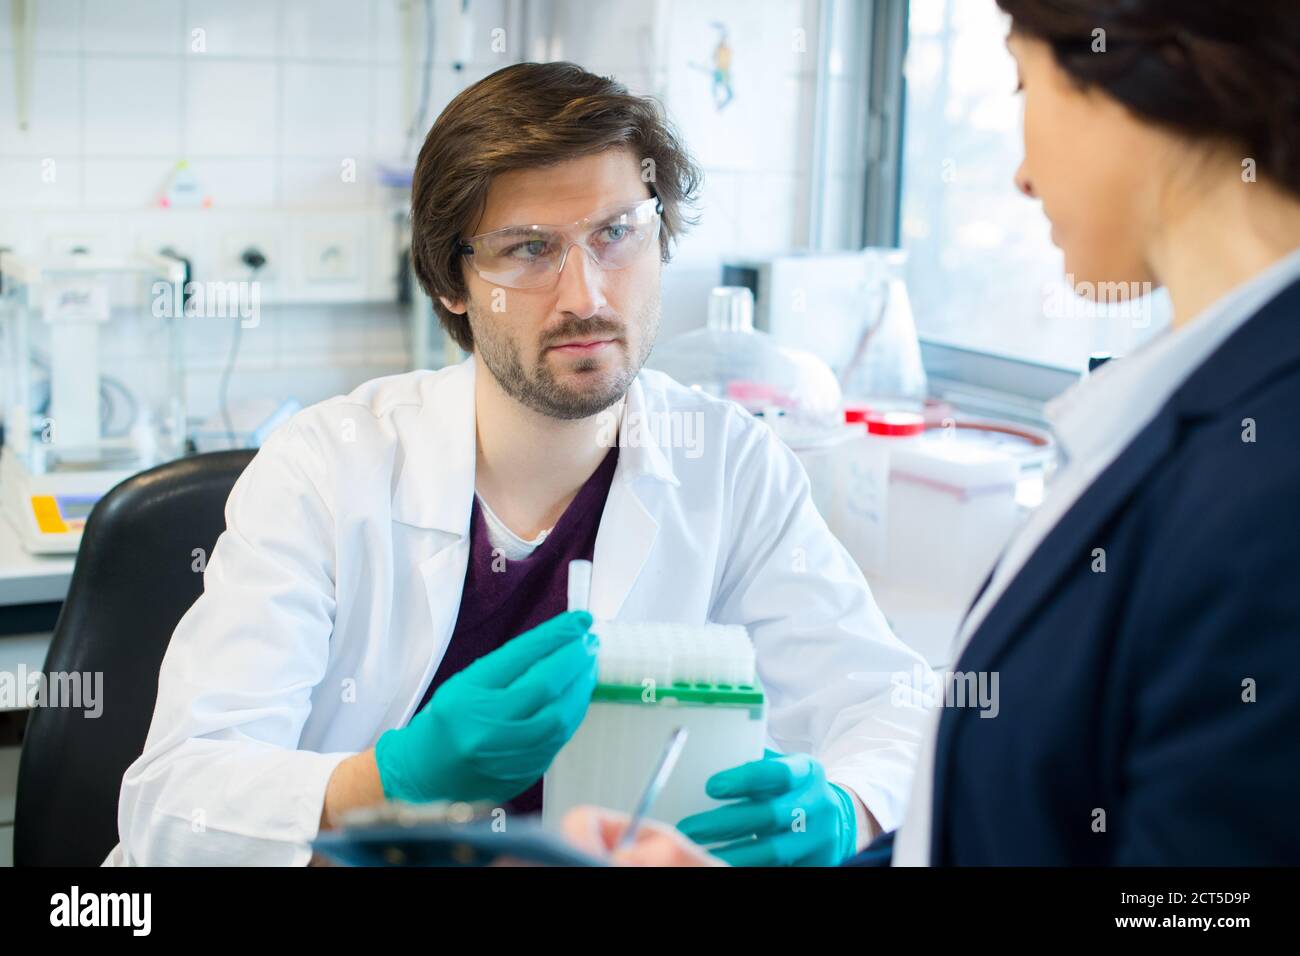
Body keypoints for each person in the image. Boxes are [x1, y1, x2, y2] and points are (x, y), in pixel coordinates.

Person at [105, 62, 932, 866]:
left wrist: (846, 813)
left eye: (616, 235)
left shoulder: (731, 465)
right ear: (450, 284)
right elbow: (175, 802)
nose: (587, 297)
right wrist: (384, 783)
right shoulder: (326, 468)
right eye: (529, 249)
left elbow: (893, 711)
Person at [562, 0, 1300, 866]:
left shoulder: (1265, 480)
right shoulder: (1211, 409)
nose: (1023, 174)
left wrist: (843, 813)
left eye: (1027, 82)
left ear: (1145, 69)